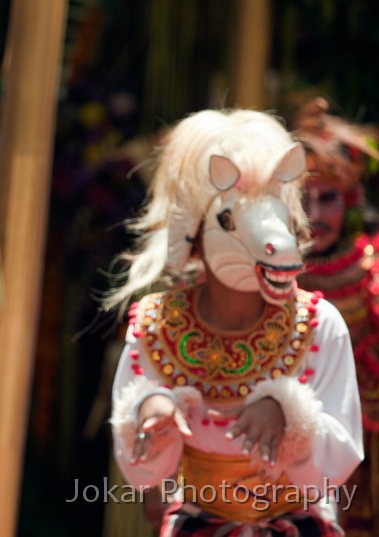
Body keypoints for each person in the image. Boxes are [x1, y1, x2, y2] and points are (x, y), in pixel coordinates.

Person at [107, 108, 363, 536]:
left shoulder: (320, 325)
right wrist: (150, 412)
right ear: (194, 232)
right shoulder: (156, 326)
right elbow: (142, 473)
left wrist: (290, 415)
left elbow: (336, 466)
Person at [291, 97, 379, 537]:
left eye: (328, 199)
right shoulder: (268, 276)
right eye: (303, 200)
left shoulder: (372, 270)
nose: (315, 216)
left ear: (349, 201)